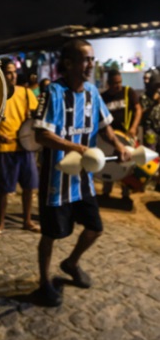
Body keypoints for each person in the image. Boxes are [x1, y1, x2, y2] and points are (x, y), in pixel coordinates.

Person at [33, 39, 132, 307]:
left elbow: (104, 125)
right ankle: (44, 283)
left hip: (83, 180)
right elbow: (41, 134)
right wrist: (76, 147)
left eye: (92, 59)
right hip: (56, 180)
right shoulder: (52, 92)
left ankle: (71, 263)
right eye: (86, 59)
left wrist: (118, 145)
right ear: (68, 63)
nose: (91, 64)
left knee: (95, 229)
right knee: (50, 234)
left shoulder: (92, 92)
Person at [0, 57, 40, 239]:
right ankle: (1, 222)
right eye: (8, 73)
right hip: (6, 147)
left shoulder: (26, 93)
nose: (12, 76)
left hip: (25, 146)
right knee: (4, 190)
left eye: (14, 72)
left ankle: (27, 220)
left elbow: (36, 115)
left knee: (29, 187)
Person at [100, 69, 142, 201]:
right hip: (111, 138)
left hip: (127, 135)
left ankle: (125, 194)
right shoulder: (103, 97)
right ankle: (106, 192)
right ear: (108, 83)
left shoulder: (128, 92)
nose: (118, 85)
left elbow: (138, 109)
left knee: (127, 163)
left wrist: (134, 127)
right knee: (110, 163)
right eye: (115, 83)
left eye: (120, 82)